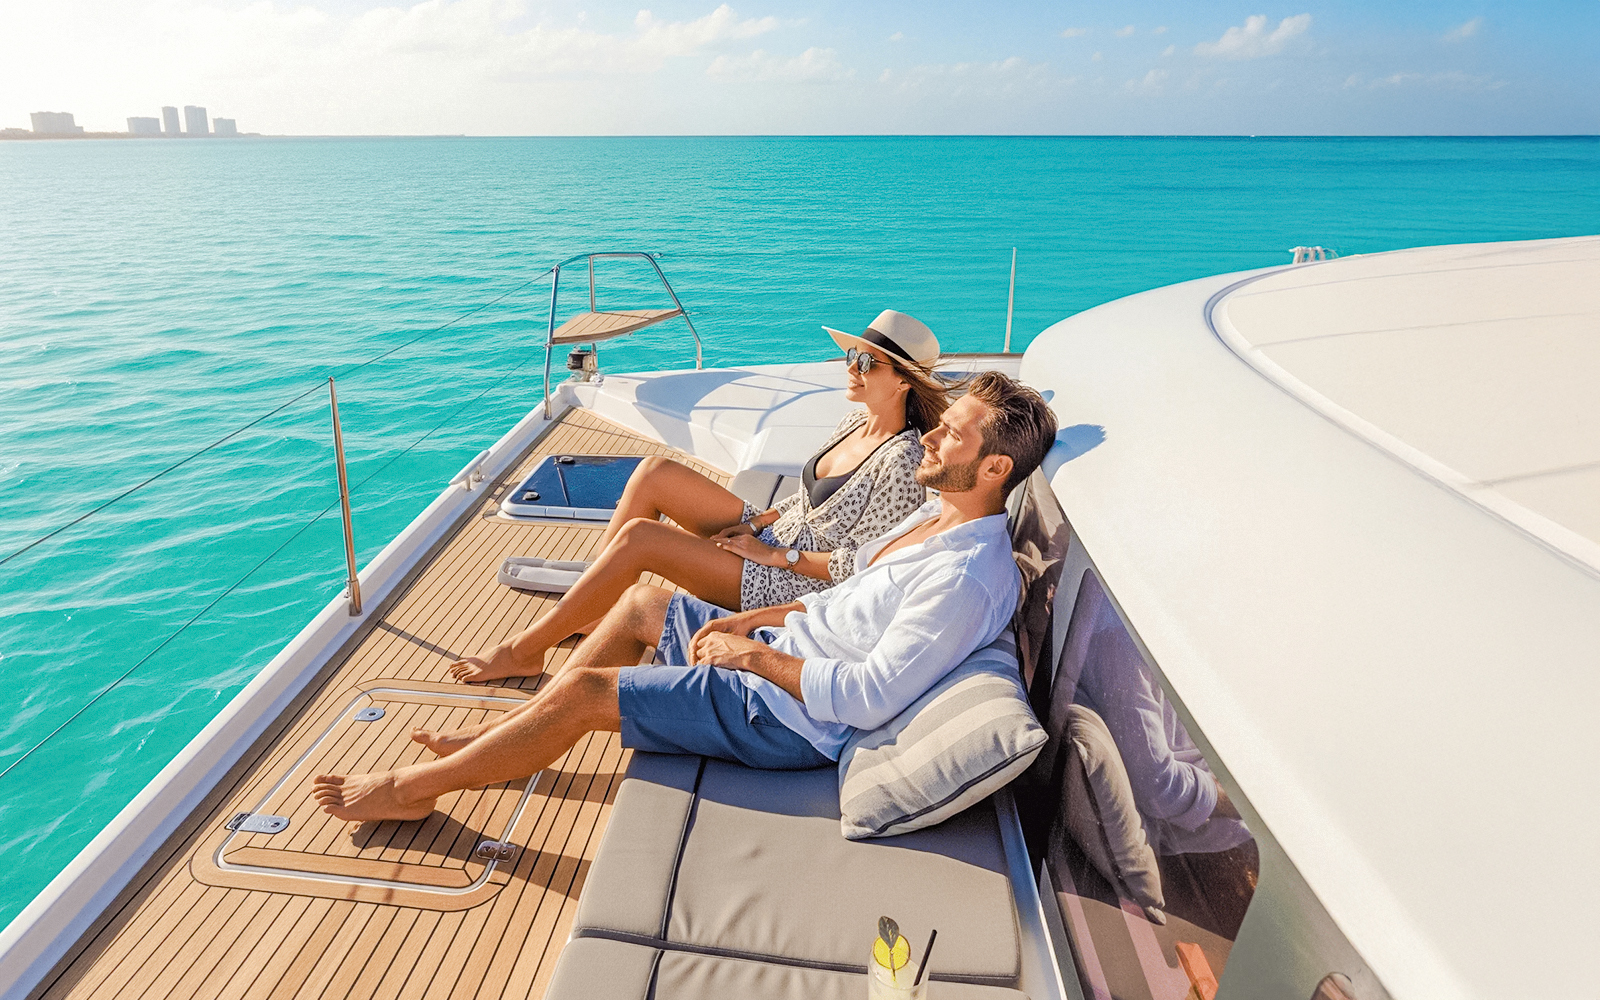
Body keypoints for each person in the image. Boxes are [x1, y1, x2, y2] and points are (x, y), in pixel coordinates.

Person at [313, 372, 1058, 819]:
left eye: (951, 437)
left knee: (588, 694)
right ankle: (497, 742)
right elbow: (849, 591)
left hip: (792, 718)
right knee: (640, 601)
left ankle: (414, 788)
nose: (933, 439)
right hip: (782, 646)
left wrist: (749, 656)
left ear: (994, 468)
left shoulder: (964, 576)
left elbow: (863, 696)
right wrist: (761, 617)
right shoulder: (938, 517)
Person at [448, 309, 954, 683]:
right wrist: (756, 525)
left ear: (903, 382)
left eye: (867, 361)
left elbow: (862, 567)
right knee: (655, 473)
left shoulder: (902, 461)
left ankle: (526, 648)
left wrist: (774, 553)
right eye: (851, 354)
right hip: (775, 536)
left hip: (787, 582)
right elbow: (806, 500)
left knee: (642, 539)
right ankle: (589, 609)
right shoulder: (852, 422)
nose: (852, 366)